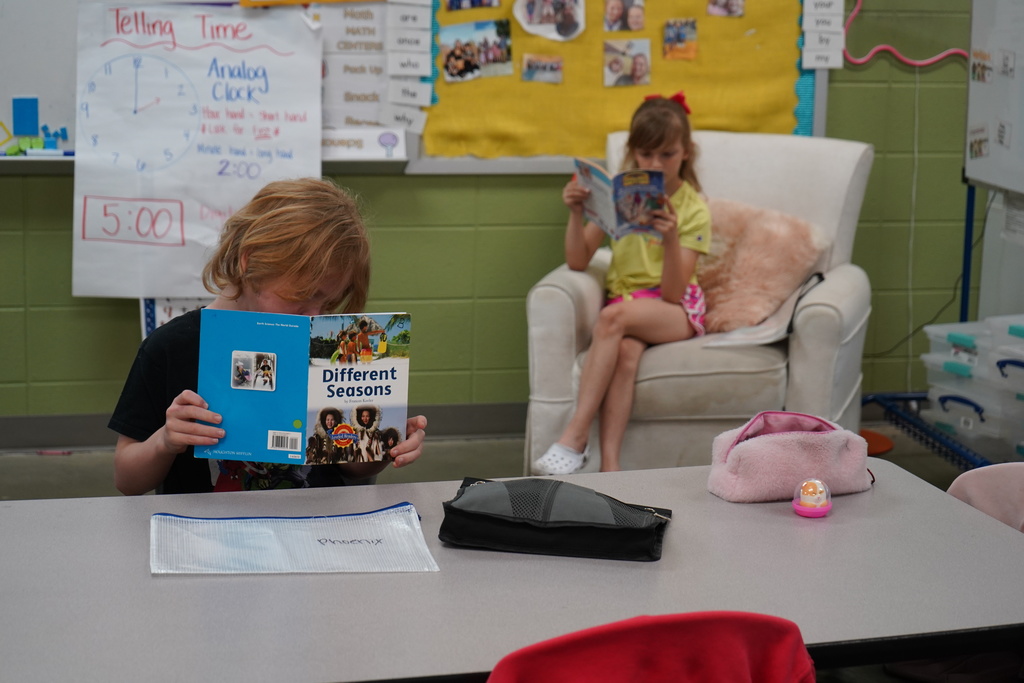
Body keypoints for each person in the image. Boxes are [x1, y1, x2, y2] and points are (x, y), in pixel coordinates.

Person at [109, 177, 428, 495]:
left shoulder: (332, 351)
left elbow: (352, 467)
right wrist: (164, 441)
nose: (316, 315)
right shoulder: (170, 348)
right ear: (250, 261)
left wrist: (383, 445)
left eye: (329, 302)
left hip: (313, 529)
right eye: (301, 296)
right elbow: (127, 479)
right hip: (205, 534)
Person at [534, 94, 710, 475]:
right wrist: (577, 213)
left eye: (667, 154)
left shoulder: (694, 207)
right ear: (633, 152)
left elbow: (672, 294)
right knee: (626, 354)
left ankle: (575, 436)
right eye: (645, 155)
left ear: (686, 152)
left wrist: (671, 237)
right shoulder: (622, 196)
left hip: (675, 309)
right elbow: (578, 260)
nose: (655, 165)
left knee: (613, 319)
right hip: (630, 306)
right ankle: (611, 469)